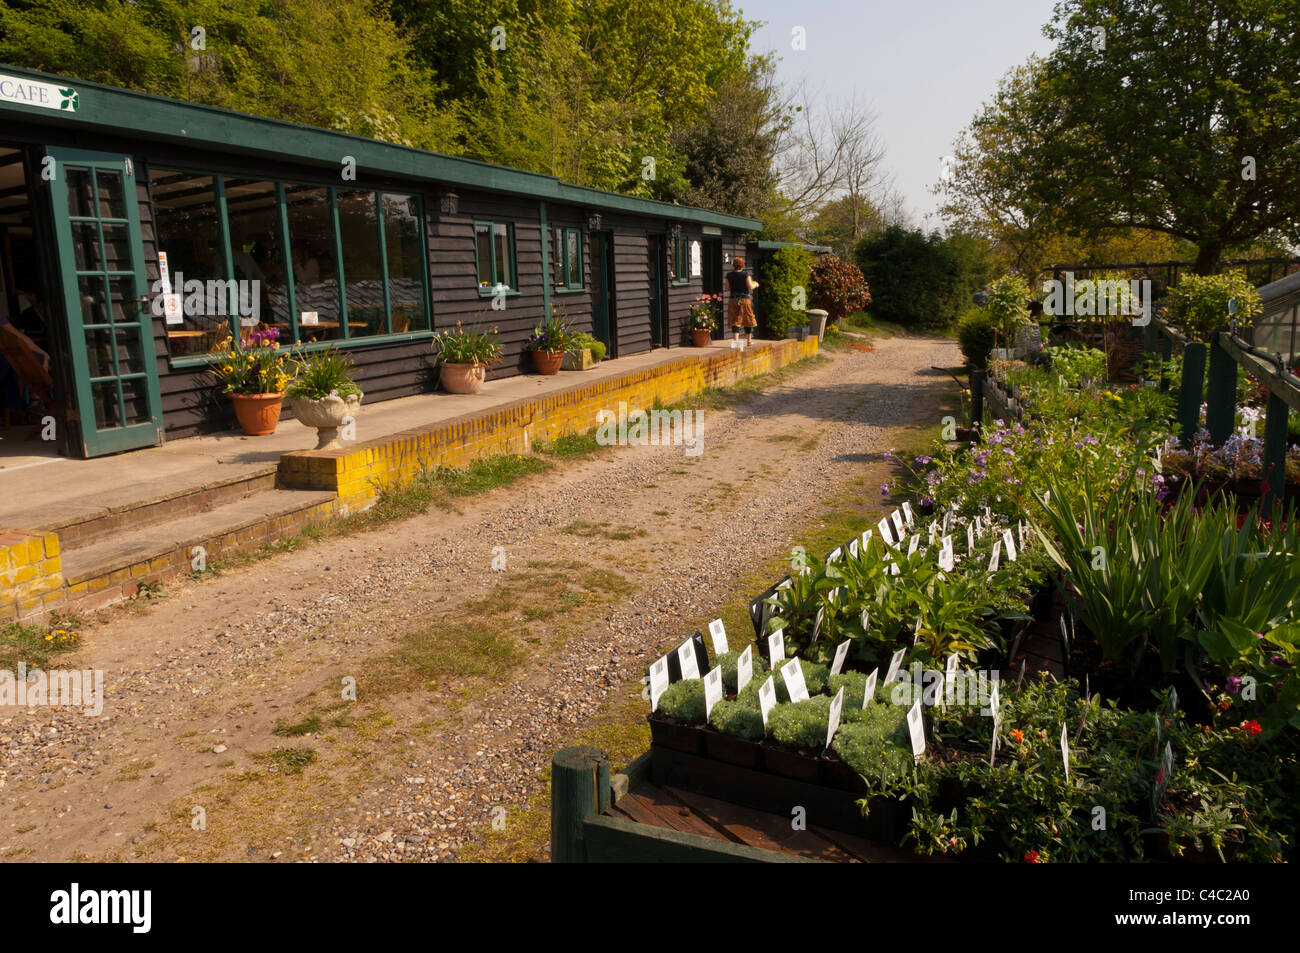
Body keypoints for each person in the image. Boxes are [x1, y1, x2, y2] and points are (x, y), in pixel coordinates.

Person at [725, 256, 759, 346]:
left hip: (733, 300)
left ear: (733, 265)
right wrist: (755, 284)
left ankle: (736, 342)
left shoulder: (729, 275)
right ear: (742, 265)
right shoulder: (745, 274)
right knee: (747, 319)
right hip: (744, 299)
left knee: (735, 319)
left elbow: (727, 288)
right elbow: (750, 287)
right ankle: (749, 341)